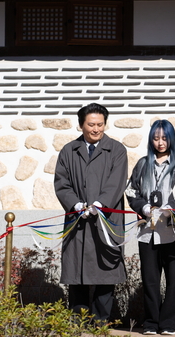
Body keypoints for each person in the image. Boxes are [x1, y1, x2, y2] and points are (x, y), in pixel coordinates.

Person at [54, 103, 128, 321]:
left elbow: (116, 183)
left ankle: (100, 321)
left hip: (105, 220)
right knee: (76, 273)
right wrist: (76, 205)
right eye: (91, 124)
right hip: (78, 221)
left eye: (100, 124)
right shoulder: (69, 151)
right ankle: (79, 320)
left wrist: (99, 204)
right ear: (81, 125)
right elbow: (61, 182)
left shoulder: (117, 150)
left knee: (105, 273)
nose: (96, 129)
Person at [125, 120, 175, 336]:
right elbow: (131, 191)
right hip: (148, 231)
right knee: (150, 279)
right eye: (156, 138)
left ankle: (169, 323)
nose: (160, 142)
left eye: (164, 138)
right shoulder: (143, 164)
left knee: (174, 280)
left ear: (172, 139)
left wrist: (170, 207)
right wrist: (143, 207)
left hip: (173, 230)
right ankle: (151, 322)